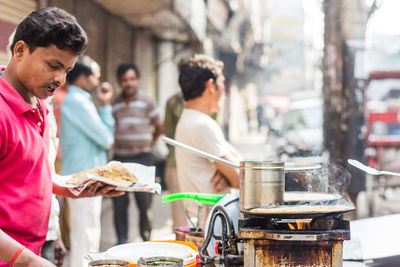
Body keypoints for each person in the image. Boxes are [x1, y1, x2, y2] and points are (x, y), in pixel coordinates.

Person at [0, 7, 123, 267]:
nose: (59, 79)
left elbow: (30, 176)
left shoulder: (40, 104)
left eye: (66, 69)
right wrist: (27, 260)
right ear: (20, 51)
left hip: (32, 250)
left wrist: (78, 188)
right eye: (53, 66)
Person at [175, 54, 241, 223]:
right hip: (213, 226)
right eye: (222, 82)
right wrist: (230, 176)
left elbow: (235, 167)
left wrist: (227, 175)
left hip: (203, 221)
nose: (223, 90)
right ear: (211, 85)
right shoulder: (202, 125)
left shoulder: (189, 119)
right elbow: (241, 179)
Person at [60, 62, 115, 267]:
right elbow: (106, 138)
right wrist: (107, 106)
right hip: (83, 177)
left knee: (86, 233)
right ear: (83, 77)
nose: (97, 81)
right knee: (85, 235)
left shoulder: (80, 100)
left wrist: (105, 103)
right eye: (95, 76)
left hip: (86, 176)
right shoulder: (78, 102)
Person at [112, 63, 162, 243]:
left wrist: (148, 142)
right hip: (120, 160)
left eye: (132, 79)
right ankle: (121, 242)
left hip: (143, 158)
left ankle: (146, 240)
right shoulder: (114, 103)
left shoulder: (148, 101)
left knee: (144, 203)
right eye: (125, 80)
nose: (129, 83)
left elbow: (159, 127)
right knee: (119, 204)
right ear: (120, 82)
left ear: (137, 80)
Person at [164, 92, 187, 229]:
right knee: (179, 214)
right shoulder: (173, 102)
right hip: (176, 163)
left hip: (203, 163)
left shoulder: (210, 98)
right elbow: (169, 133)